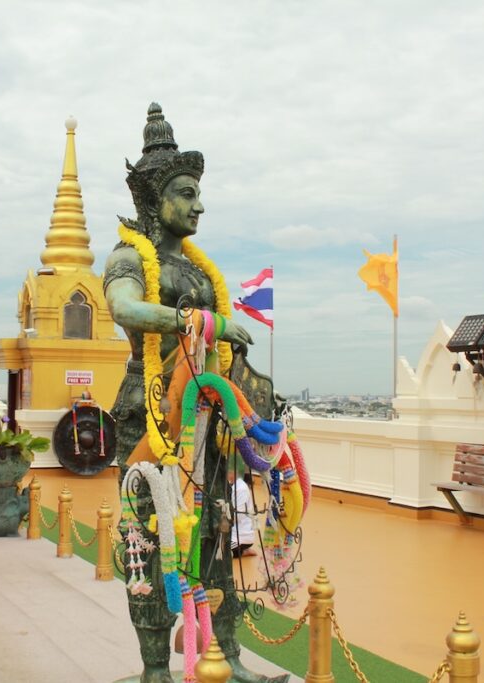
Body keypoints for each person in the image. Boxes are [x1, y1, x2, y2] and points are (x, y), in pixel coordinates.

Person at [104, 103, 286, 683]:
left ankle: (224, 657)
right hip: (151, 405)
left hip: (208, 411)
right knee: (155, 534)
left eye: (198, 194)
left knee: (214, 532)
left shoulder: (205, 274)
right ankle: (156, 668)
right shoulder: (133, 257)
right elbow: (124, 307)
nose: (198, 205)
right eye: (185, 193)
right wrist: (203, 324)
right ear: (154, 202)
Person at [229, 471, 257, 558]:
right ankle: (241, 549)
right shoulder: (233, 485)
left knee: (217, 552)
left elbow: (238, 516)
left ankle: (241, 551)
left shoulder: (240, 489)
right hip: (233, 532)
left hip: (240, 535)